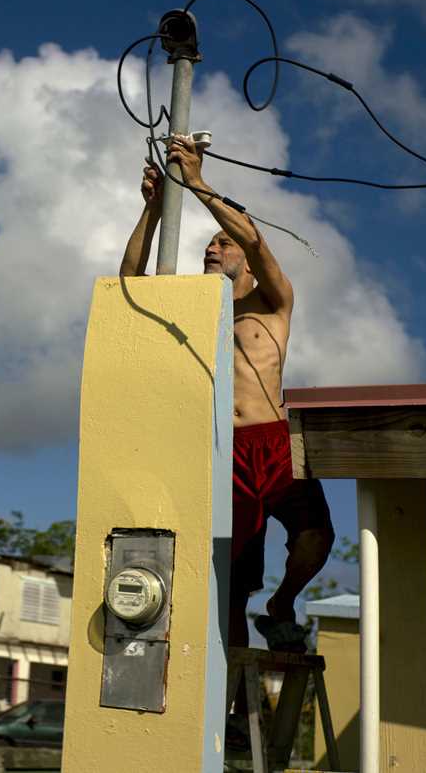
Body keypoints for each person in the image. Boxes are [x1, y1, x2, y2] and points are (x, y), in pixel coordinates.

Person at [119, 135, 335, 656]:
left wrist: (196, 183)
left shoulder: (272, 302)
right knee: (231, 585)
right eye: (208, 245)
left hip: (276, 440)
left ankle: (283, 604)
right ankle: (228, 704)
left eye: (223, 242)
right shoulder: (194, 313)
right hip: (223, 451)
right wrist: (152, 210)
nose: (213, 248)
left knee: (316, 537)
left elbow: (258, 243)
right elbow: (130, 280)